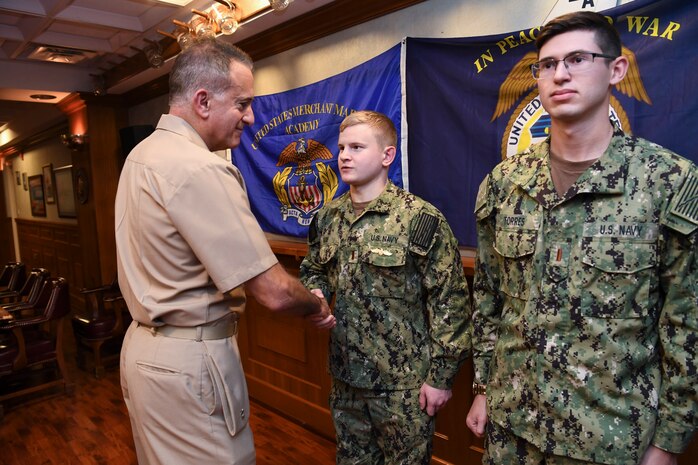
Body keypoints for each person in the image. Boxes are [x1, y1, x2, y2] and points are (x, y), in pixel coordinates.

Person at [466, 10, 697, 465]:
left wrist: (670, 439)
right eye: (547, 65)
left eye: (576, 59)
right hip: (511, 427)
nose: (560, 74)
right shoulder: (504, 182)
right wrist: (481, 388)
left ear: (616, 70)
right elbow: (490, 299)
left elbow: (686, 323)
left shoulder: (667, 181)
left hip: (608, 438)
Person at [115, 38, 335, 465]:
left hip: (144, 350)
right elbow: (272, 290)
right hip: (189, 359)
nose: (251, 117)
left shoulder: (142, 155)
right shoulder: (200, 167)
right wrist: (315, 305)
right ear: (202, 100)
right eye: (242, 104)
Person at [300, 110, 471, 464]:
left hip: (403, 386)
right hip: (346, 380)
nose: (344, 155)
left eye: (357, 147)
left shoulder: (419, 219)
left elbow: (450, 304)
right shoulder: (327, 218)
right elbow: (313, 268)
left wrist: (440, 378)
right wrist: (315, 293)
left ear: (386, 156)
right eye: (342, 147)